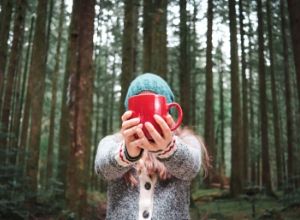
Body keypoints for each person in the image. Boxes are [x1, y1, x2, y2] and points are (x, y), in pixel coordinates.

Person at [94, 73, 209, 220]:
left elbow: (191, 168)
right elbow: (103, 169)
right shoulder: (113, 143)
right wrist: (127, 153)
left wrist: (168, 148)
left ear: (168, 111)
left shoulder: (186, 142)